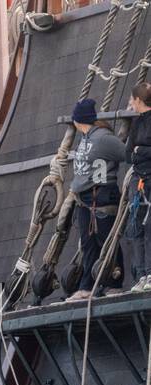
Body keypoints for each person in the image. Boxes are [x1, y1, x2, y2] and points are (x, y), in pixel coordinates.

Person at [67, 97, 125, 301]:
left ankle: (113, 284)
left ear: (78, 120)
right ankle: (87, 286)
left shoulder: (103, 138)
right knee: (88, 243)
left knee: (107, 241)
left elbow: (125, 154)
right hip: (85, 199)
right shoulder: (86, 137)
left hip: (101, 195)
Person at [125, 82, 151, 291]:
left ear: (139, 100)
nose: (131, 103)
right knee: (136, 228)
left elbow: (135, 151)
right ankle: (141, 274)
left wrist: (140, 150)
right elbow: (127, 154)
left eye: (132, 99)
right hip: (139, 181)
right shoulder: (137, 124)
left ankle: (150, 273)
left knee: (149, 226)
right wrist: (139, 151)